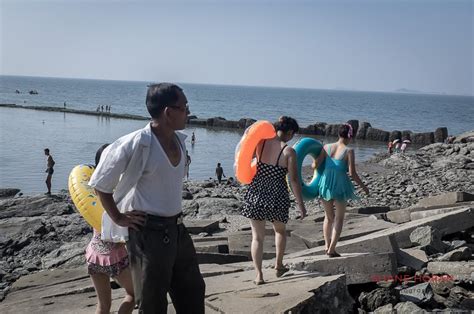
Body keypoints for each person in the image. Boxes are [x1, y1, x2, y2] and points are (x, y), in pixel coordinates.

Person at [89, 83, 205, 313]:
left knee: (192, 291)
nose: (189, 112)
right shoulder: (135, 143)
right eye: (184, 107)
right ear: (168, 112)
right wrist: (119, 217)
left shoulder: (180, 141)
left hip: (177, 229)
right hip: (148, 232)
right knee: (152, 301)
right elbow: (100, 183)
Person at [240, 116, 307, 285]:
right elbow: (293, 181)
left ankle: (259, 275)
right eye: (292, 135)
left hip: (256, 192)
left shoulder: (260, 143)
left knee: (257, 238)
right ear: (290, 132)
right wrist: (301, 205)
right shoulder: (289, 151)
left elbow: (248, 158)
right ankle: (278, 265)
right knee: (279, 231)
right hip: (278, 195)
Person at [86, 144, 135, 314]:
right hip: (115, 256)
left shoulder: (94, 188)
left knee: (103, 305)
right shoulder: (119, 188)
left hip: (93, 254)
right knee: (133, 295)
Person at [312, 124, 369, 258]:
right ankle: (331, 249)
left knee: (328, 217)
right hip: (340, 185)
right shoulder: (349, 151)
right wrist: (364, 187)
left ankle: (326, 246)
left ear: (338, 134)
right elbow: (352, 173)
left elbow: (315, 165)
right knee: (339, 218)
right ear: (350, 136)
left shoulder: (326, 147)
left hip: (325, 183)